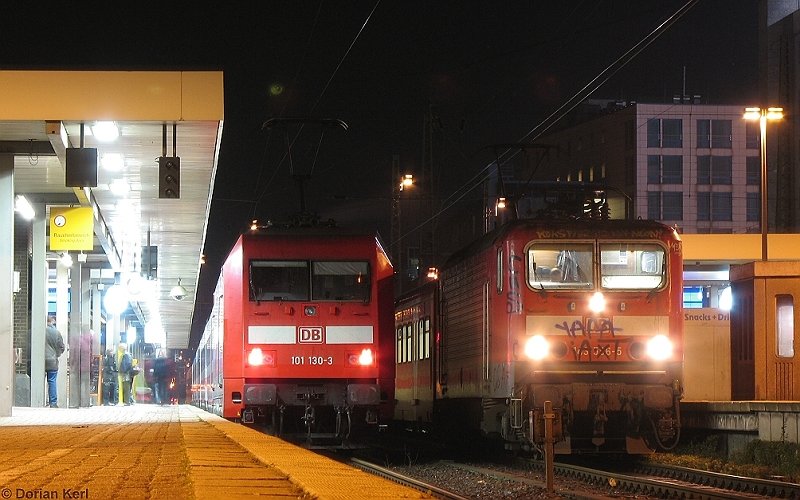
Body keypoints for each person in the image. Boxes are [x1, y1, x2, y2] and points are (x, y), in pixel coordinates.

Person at [44, 316, 65, 408]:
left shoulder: (40, 330)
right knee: (52, 381)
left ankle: (39, 401)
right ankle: (53, 403)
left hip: (39, 360)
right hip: (52, 360)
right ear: (52, 321)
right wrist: (57, 354)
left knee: (37, 379)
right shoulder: (56, 332)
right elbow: (62, 347)